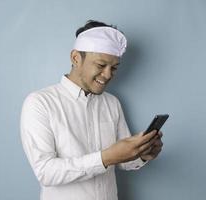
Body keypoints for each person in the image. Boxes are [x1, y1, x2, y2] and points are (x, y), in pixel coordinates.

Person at [20, 20, 163, 200]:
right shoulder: (40, 103)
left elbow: (123, 160)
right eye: (101, 65)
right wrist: (105, 158)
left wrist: (142, 154)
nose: (108, 75)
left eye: (114, 68)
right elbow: (46, 172)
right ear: (75, 58)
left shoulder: (112, 103)